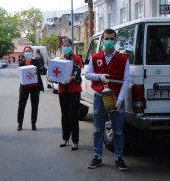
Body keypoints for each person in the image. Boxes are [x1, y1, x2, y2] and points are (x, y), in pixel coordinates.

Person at [85, 28, 130, 171]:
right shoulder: (95, 57)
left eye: (112, 39)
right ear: (103, 40)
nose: (109, 42)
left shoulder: (123, 59)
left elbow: (126, 80)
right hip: (100, 97)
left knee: (118, 131)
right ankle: (97, 156)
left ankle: (118, 157)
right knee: (98, 129)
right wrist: (99, 76)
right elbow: (87, 74)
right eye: (107, 39)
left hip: (116, 98)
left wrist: (121, 99)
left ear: (116, 40)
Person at [57, 38, 83, 151]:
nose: (66, 47)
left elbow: (78, 73)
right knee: (64, 115)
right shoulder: (59, 59)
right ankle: (65, 138)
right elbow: (55, 73)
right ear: (61, 46)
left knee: (73, 115)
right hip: (63, 91)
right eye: (64, 45)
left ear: (71, 46)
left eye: (68, 45)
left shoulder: (77, 58)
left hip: (74, 91)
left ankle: (75, 141)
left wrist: (71, 78)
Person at [17, 46, 44, 131]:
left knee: (35, 106)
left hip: (35, 87)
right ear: (24, 53)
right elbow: (19, 75)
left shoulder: (36, 61)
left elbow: (42, 69)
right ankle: (20, 124)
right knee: (21, 105)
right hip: (24, 87)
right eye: (26, 51)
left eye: (29, 51)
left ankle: (33, 123)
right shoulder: (21, 63)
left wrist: (37, 70)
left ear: (32, 53)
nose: (28, 53)